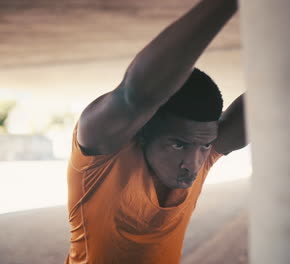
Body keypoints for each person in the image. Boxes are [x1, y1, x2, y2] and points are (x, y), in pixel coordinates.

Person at [64, 0, 245, 263]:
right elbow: (136, 95)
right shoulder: (100, 157)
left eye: (205, 146)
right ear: (143, 132)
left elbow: (282, 91)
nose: (193, 165)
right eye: (178, 145)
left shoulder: (202, 147)